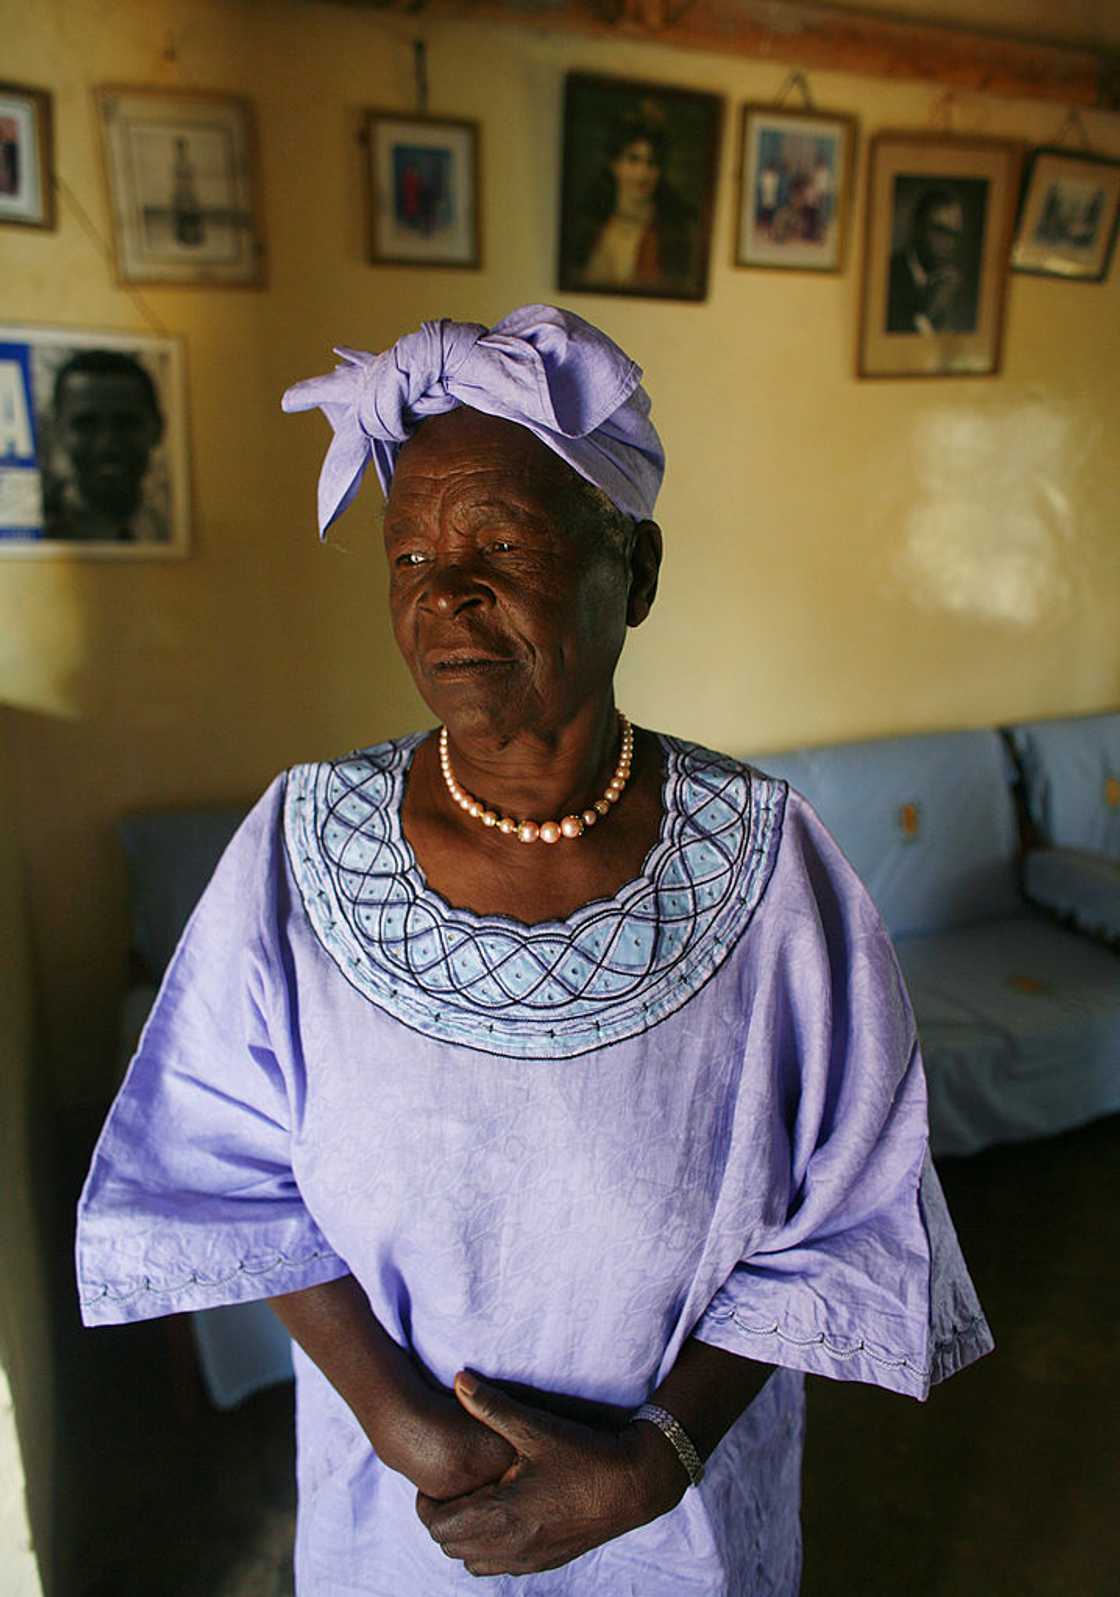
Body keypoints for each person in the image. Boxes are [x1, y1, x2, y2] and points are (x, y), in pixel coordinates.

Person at [76, 305, 992, 1594]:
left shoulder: (769, 863)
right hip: (406, 1514)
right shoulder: (300, 843)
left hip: (674, 1524)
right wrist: (400, 1422)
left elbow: (846, 1213)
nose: (444, 595)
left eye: (498, 542)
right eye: (406, 558)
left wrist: (658, 1456)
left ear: (640, 571)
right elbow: (223, 1165)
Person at [42, 349, 168, 542]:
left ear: (158, 429)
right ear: (57, 432)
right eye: (86, 425)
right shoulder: (40, 529)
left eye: (126, 423)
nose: (107, 445)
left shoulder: (169, 526)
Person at [569, 108, 696, 290]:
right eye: (633, 160)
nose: (642, 173)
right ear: (615, 164)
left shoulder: (674, 231)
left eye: (651, 163)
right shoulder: (586, 225)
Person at [886, 185, 979, 336]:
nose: (948, 244)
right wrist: (930, 313)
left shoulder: (954, 284)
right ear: (917, 227)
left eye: (954, 235)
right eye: (940, 231)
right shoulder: (888, 275)